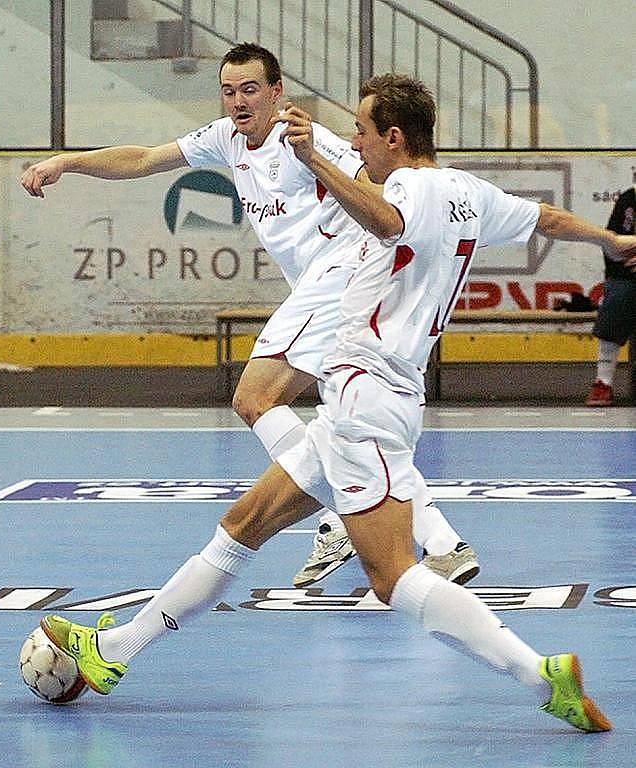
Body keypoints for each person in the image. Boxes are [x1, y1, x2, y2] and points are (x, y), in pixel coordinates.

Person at [37, 72, 636, 732]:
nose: (356, 141)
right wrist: (610, 241)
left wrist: (313, 158)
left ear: (396, 137)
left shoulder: (405, 187)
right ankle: (113, 653)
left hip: (365, 400)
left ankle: (539, 673)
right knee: (242, 526)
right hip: (363, 401)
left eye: (362, 130)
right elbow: (545, 218)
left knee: (394, 578)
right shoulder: (472, 193)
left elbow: (386, 220)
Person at [21, 42, 479, 589]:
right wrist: (65, 162)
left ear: (277, 92)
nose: (239, 101)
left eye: (251, 89)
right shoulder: (225, 139)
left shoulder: (305, 142)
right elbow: (143, 159)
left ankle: (339, 516)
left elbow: (384, 181)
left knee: (255, 396)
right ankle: (442, 542)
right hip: (320, 291)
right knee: (344, 427)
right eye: (229, 90)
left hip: (342, 279)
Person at [585, 184, 636, 406]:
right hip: (627, 274)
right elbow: (610, 242)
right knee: (617, 296)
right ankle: (603, 382)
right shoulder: (628, 200)